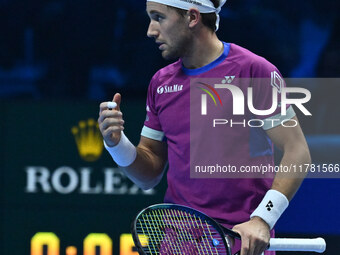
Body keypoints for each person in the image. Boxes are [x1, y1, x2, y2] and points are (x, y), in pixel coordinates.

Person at [98, 0, 311, 254]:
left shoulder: (253, 71)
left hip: (241, 242)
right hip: (178, 244)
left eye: (159, 17)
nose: (150, 30)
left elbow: (298, 151)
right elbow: (149, 173)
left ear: (192, 17)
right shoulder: (161, 83)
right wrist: (116, 144)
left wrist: (263, 220)